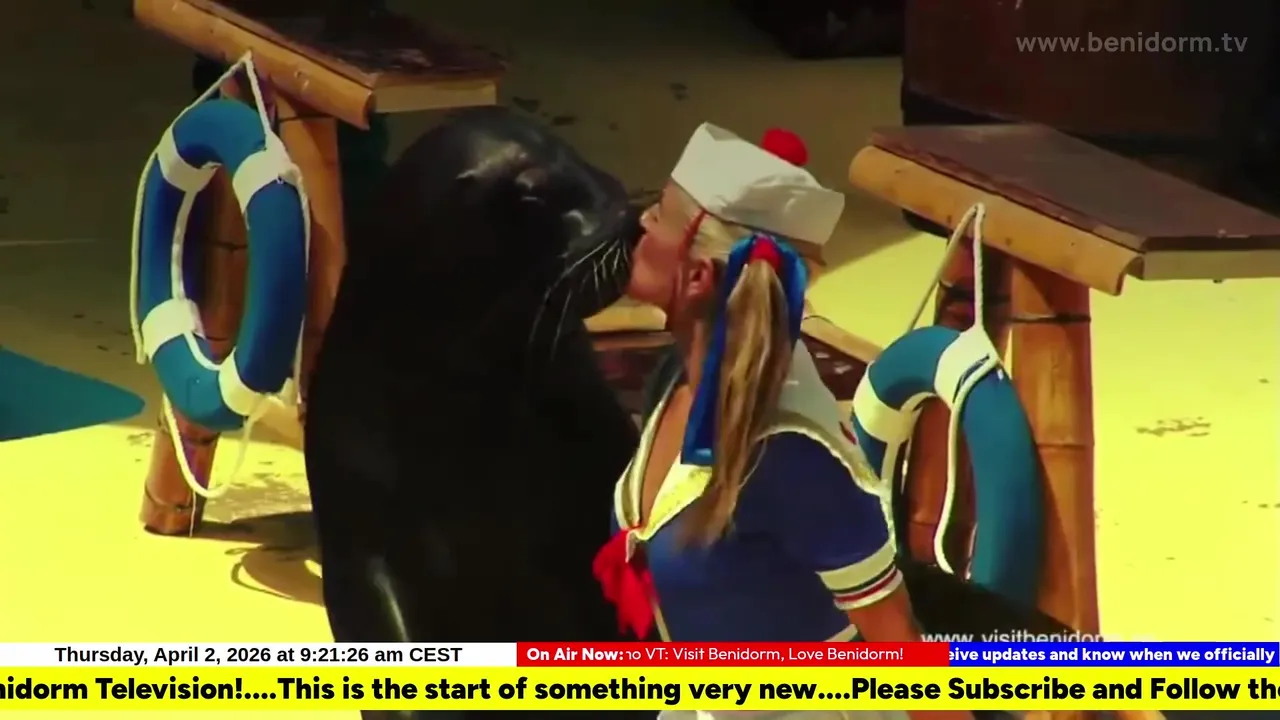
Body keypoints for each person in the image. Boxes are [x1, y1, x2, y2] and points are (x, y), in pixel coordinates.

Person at [593, 122, 974, 720]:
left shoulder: (790, 454)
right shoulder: (677, 374)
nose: (640, 223)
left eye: (659, 216)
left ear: (698, 276)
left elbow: (901, 648)